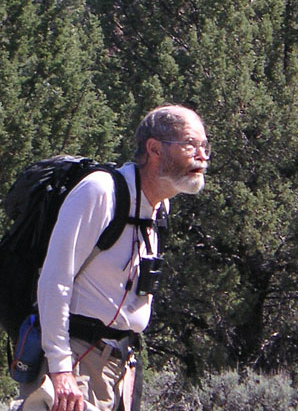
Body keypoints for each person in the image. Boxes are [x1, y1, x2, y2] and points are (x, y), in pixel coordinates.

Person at [20, 104, 210, 411]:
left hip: (121, 367)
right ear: (154, 149)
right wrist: (60, 368)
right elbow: (55, 280)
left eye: (204, 146)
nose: (201, 155)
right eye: (190, 144)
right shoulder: (100, 191)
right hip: (77, 364)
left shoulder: (159, 208)